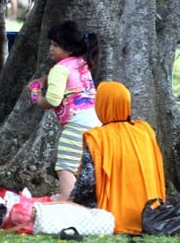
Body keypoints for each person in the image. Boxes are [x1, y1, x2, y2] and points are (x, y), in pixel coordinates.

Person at [70, 81, 165, 234]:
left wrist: (70, 201)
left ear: (103, 105)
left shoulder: (97, 137)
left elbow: (87, 183)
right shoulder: (145, 131)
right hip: (153, 216)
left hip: (111, 218)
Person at [28, 20, 100, 201]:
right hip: (95, 120)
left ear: (69, 48)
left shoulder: (59, 69)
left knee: (65, 165)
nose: (51, 49)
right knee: (85, 163)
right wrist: (46, 78)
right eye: (51, 44)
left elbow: (52, 100)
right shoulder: (81, 62)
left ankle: (67, 199)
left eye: (55, 45)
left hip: (76, 124)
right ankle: (83, 198)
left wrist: (36, 95)